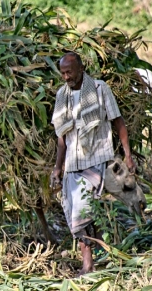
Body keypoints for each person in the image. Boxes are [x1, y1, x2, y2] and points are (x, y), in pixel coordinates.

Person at [50, 52, 136, 275]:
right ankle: (100, 250)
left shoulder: (99, 89)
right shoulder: (62, 96)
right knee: (80, 211)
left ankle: (88, 265)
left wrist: (128, 155)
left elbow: (118, 122)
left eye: (69, 72)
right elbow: (62, 138)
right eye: (63, 73)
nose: (66, 77)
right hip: (72, 163)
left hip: (96, 159)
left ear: (81, 69)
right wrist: (57, 168)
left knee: (81, 210)